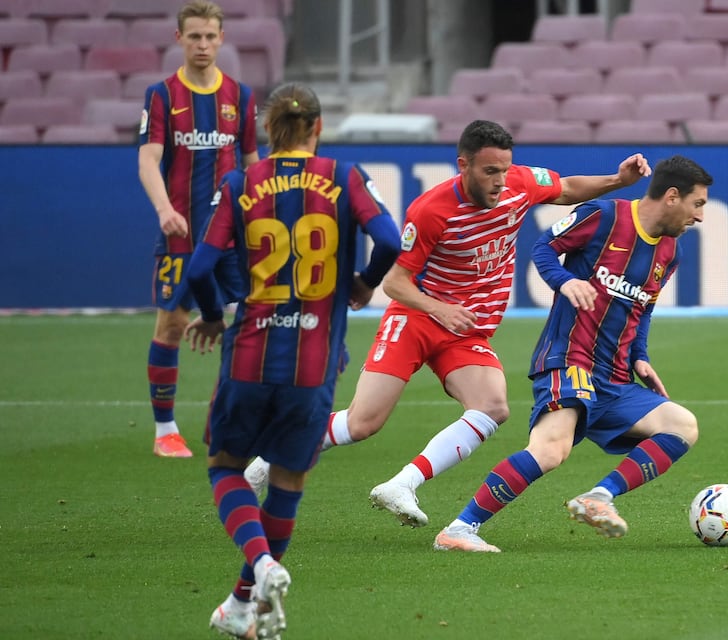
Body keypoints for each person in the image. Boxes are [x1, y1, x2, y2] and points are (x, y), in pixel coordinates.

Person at [246, 120, 651, 529]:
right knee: (363, 422)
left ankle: (403, 484)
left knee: (493, 406)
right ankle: (274, 452)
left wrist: (618, 179)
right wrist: (440, 308)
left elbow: (566, 189)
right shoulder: (430, 210)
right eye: (489, 171)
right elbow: (396, 283)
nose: (499, 181)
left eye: (504, 170)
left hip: (465, 330)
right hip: (417, 319)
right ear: (464, 165)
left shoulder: (520, 184)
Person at [184, 82, 400, 638]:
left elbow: (199, 270)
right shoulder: (345, 176)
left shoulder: (239, 182)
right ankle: (242, 603)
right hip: (314, 363)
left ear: (267, 129)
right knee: (286, 481)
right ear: (318, 127)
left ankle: (257, 569)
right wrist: (363, 284)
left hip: (250, 355)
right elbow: (391, 241)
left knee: (226, 466)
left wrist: (211, 315)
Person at [432, 155, 713, 552]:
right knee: (551, 450)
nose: (699, 216)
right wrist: (565, 282)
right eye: (697, 204)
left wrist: (640, 355)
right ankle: (458, 530)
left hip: (615, 377)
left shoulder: (669, 252)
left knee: (682, 425)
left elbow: (643, 307)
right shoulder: (601, 215)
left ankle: (598, 497)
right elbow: (543, 248)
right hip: (569, 360)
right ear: (672, 197)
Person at [138, 1, 258, 458]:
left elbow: (250, 164)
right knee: (171, 325)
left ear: (221, 38)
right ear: (179, 39)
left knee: (249, 324)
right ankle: (165, 430)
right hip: (181, 234)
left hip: (233, 238)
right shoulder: (163, 95)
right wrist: (164, 208)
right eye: (194, 37)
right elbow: (148, 159)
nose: (203, 45)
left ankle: (230, 418)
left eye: (210, 37)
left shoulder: (240, 97)